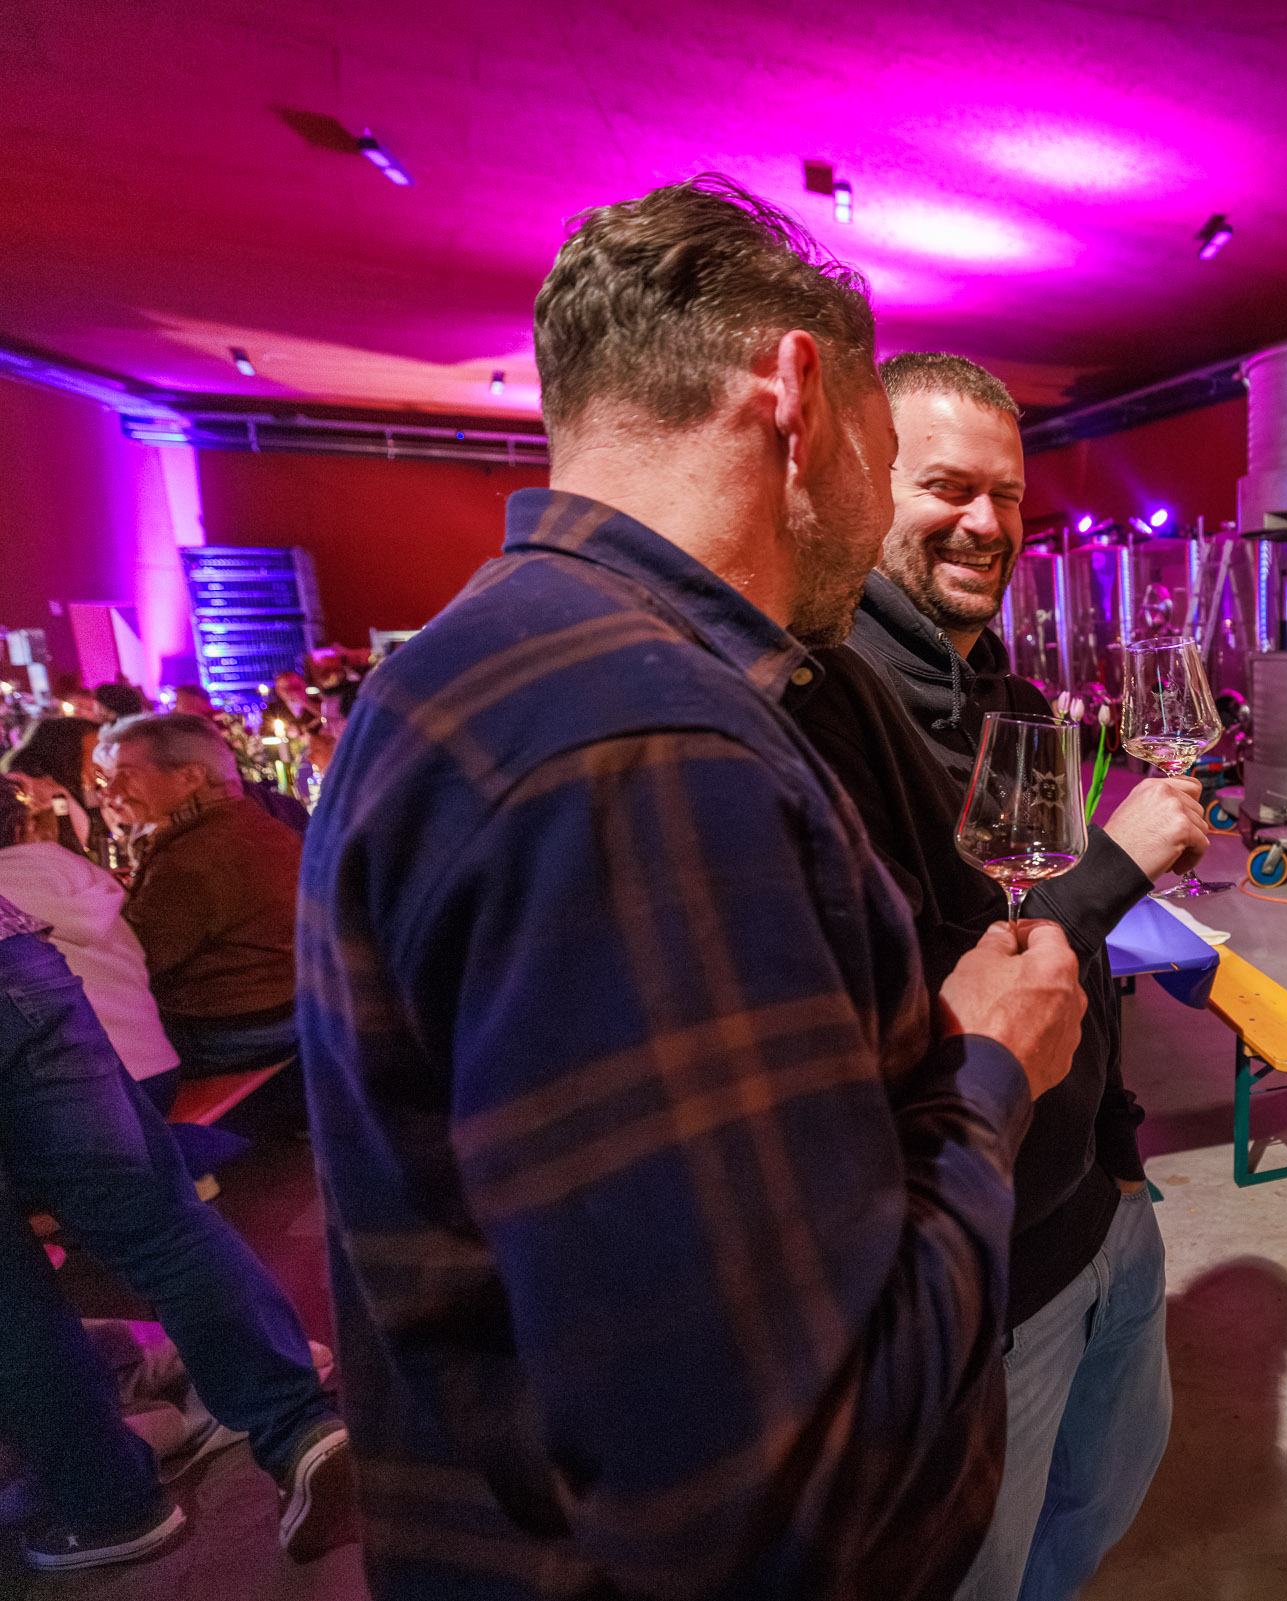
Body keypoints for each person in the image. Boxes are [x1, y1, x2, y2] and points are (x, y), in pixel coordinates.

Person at [295, 176, 1086, 1601]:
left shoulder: (475, 656)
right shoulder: (648, 742)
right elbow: (787, 1487)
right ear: (801, 394)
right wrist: (990, 1064)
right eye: (886, 445)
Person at [804, 350, 1200, 1601]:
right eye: (947, 487)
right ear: (868, 485)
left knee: (1093, 1515)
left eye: (1009, 494)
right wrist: (1121, 864)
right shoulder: (826, 711)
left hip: (1100, 1211)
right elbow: (933, 1001)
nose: (986, 522)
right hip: (985, 1267)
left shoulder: (1010, 697)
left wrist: (1122, 1147)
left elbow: (1067, 964)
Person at [0, 890, 354, 1572]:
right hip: (16, 962)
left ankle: (109, 1505)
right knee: (163, 1225)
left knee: (9, 1299)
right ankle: (299, 1426)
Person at [97, 715, 302, 1076]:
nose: (111, 789)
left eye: (127, 774)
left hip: (228, 1033)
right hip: (283, 1015)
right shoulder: (250, 821)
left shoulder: (194, 856)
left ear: (191, 777)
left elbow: (135, 960)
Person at [0, 781, 180, 1110]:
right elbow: (140, 958)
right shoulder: (74, 866)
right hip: (158, 1071)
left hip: (88, 1096)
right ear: (22, 827)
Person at [2, 714, 104, 856]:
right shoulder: (15, 793)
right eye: (95, 754)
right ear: (68, 752)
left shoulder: (61, 791)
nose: (101, 766)